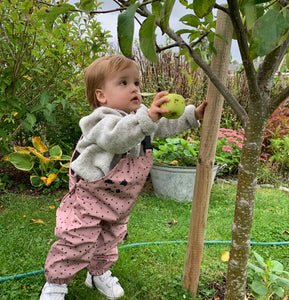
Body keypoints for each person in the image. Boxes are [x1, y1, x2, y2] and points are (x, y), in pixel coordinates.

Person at [40, 54, 207, 300]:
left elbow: (163, 125)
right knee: (76, 238)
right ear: (101, 95)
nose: (134, 89)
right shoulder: (100, 121)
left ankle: (98, 274)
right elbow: (118, 138)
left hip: (119, 199)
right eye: (124, 83)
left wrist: (193, 115)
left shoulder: (139, 117)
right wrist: (147, 118)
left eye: (137, 83)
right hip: (91, 195)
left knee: (110, 237)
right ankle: (55, 283)